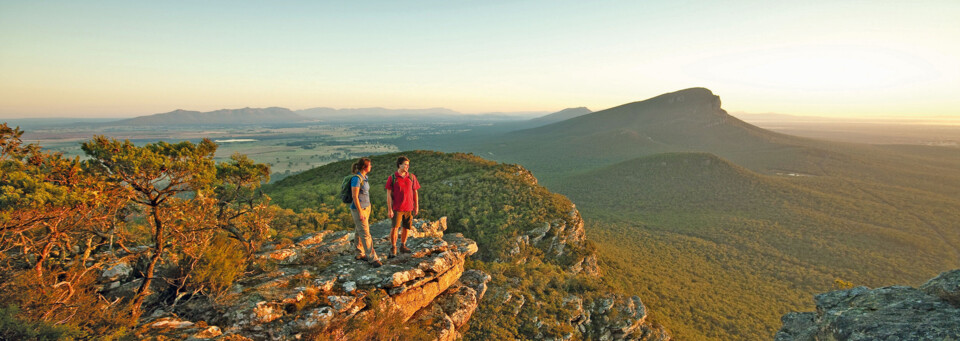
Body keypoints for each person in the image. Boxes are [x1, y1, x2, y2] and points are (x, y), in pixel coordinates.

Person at [385, 156, 420, 258]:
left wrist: (416, 206)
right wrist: (389, 209)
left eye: (408, 165)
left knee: (406, 227)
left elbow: (415, 192)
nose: (407, 166)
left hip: (409, 207)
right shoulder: (392, 178)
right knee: (395, 228)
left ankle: (403, 245)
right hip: (397, 208)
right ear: (399, 165)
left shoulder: (411, 177)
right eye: (405, 164)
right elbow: (388, 195)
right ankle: (393, 247)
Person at [350, 158, 381, 267]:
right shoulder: (356, 179)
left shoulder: (365, 178)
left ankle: (359, 253)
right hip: (359, 209)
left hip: (366, 207)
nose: (371, 166)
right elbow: (355, 196)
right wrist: (360, 212)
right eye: (370, 165)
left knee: (360, 230)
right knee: (366, 233)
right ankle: (373, 259)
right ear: (364, 167)